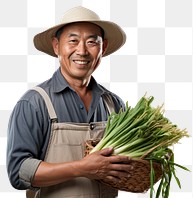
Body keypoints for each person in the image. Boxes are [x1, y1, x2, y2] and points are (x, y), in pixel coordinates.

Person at [6, 6, 133, 198]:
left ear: (103, 48)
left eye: (92, 42)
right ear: (56, 46)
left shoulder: (113, 104)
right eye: (73, 40)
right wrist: (81, 168)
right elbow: (19, 171)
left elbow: (127, 164)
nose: (82, 51)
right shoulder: (34, 103)